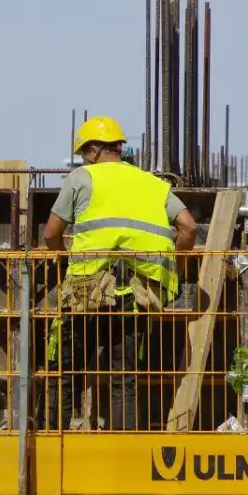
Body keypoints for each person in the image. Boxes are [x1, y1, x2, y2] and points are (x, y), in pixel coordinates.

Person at [41, 115, 198, 430]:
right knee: (122, 377)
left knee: (65, 370)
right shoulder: (152, 183)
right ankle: (121, 446)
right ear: (119, 147)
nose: (85, 159)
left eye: (85, 152)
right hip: (138, 291)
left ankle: (55, 438)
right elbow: (189, 227)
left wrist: (63, 259)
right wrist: (175, 267)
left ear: (95, 150)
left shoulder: (81, 178)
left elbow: (50, 233)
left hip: (89, 287)